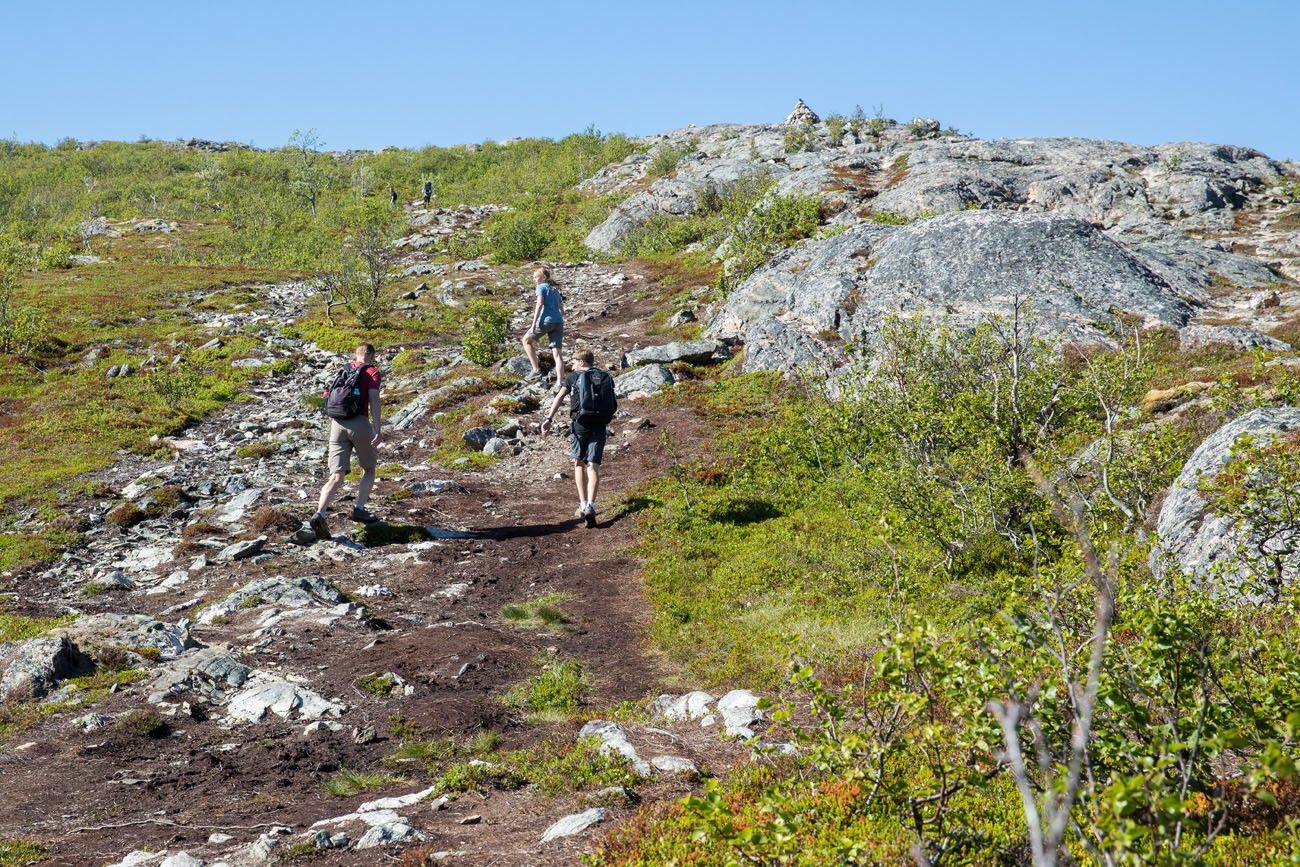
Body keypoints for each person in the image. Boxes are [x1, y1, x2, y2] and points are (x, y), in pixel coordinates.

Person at [308, 344, 383, 539]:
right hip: (359, 423)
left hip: (337, 424)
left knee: (336, 476)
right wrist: (377, 429)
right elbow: (374, 400)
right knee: (369, 469)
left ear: (355, 354)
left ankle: (320, 513)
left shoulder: (343, 370)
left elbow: (329, 395)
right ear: (371, 355)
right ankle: (359, 508)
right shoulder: (372, 372)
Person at [540, 350, 616, 527]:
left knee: (579, 464)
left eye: (573, 361)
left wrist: (548, 419)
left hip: (579, 425)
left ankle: (582, 505)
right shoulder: (604, 376)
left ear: (582, 362)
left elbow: (559, 397)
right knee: (594, 466)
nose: (571, 364)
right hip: (600, 425)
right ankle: (591, 504)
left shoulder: (573, 377)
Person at [521, 267, 564, 386]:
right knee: (557, 353)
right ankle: (560, 382)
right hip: (558, 322)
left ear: (543, 277)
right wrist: (562, 316)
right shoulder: (555, 289)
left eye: (536, 277)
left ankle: (536, 370)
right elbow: (561, 306)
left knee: (526, 340)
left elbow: (539, 303)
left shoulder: (541, 287)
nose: (534, 279)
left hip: (546, 320)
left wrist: (534, 322)